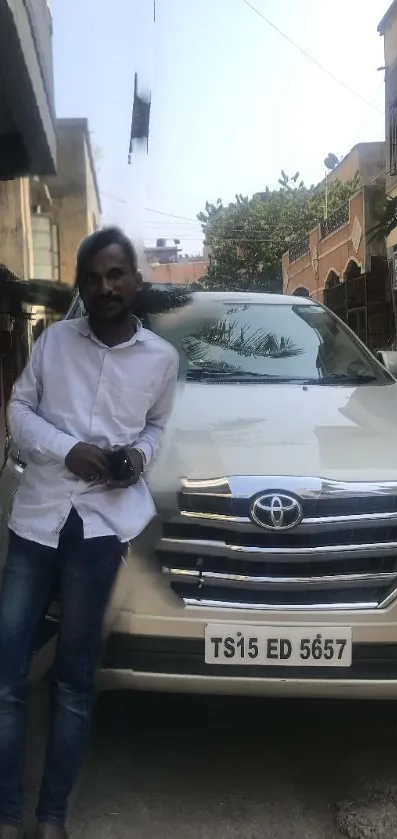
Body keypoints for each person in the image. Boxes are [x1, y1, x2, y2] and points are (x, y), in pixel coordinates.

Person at [0, 227, 179, 839]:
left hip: (102, 529)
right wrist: (65, 448)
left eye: (116, 275)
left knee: (75, 680)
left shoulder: (161, 359)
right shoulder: (53, 344)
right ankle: (6, 812)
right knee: (7, 668)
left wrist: (139, 458)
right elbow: (19, 411)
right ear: (82, 283)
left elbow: (156, 428)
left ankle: (51, 818)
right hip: (37, 521)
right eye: (95, 277)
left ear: (134, 280)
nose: (105, 287)